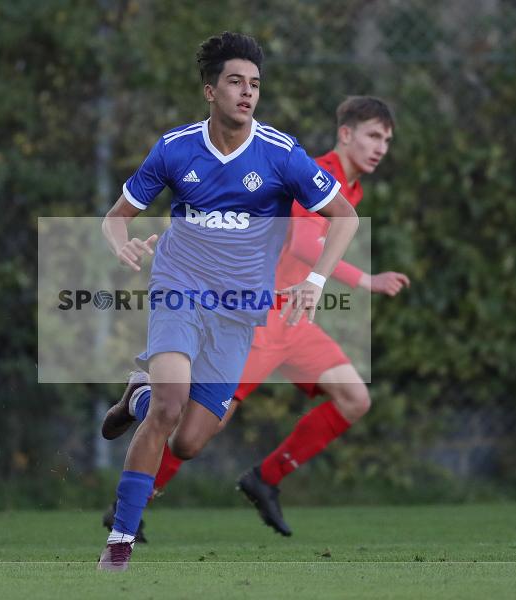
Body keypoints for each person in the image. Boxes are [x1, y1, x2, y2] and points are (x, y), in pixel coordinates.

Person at [96, 32, 359, 571]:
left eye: (255, 84)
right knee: (171, 405)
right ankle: (119, 545)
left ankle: (136, 397)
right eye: (236, 82)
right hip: (180, 289)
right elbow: (116, 216)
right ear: (210, 91)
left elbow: (345, 219)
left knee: (189, 442)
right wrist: (123, 246)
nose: (247, 93)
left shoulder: (282, 154)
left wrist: (314, 283)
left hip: (239, 312)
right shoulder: (175, 148)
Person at [102, 96, 408, 539]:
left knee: (354, 398)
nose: (381, 147)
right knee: (195, 427)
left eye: (387, 140)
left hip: (295, 322)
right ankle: (130, 502)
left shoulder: (350, 187)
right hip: (259, 315)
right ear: (346, 135)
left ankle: (265, 479)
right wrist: (366, 280)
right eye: (373, 135)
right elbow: (303, 245)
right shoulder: (314, 169)